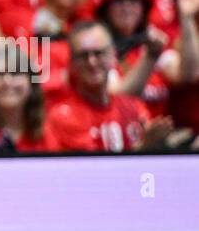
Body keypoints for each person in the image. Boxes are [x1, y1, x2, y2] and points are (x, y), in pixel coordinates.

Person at [46, 20, 160, 151]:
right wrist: (144, 148)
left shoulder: (132, 106)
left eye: (98, 53)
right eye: (83, 56)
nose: (92, 62)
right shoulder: (63, 117)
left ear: (113, 55)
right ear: (72, 62)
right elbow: (95, 169)